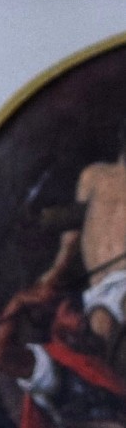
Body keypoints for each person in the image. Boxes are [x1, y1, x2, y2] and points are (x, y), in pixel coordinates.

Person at [74, 133, 126, 346]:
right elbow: (72, 235)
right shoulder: (93, 175)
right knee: (100, 335)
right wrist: (55, 272)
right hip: (98, 287)